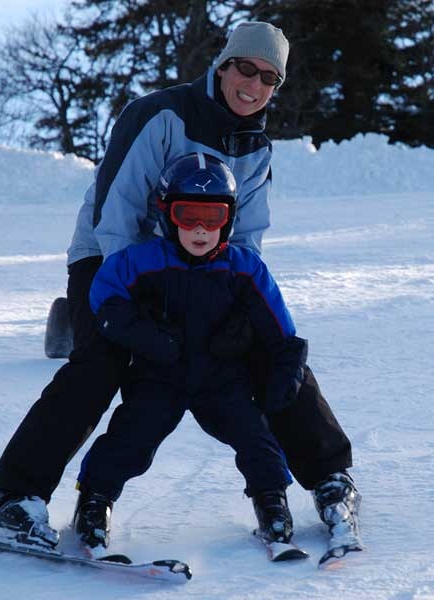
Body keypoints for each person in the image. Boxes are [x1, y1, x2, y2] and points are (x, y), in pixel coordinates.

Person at [0, 21, 361, 558]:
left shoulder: (257, 148)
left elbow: (246, 239)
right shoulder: (160, 115)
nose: (255, 84)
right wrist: (139, 305)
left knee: (269, 349)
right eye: (247, 68)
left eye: (270, 77)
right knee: (102, 361)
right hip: (111, 259)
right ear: (224, 65)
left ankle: (331, 479)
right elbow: (116, 211)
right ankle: (13, 497)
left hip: (199, 265)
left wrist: (237, 305)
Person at [72, 152, 303, 555]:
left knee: (257, 438)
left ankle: (272, 505)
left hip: (222, 380)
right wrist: (150, 340)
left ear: (228, 220)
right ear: (167, 215)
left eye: (212, 218)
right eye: (187, 215)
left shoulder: (244, 269)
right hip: (159, 378)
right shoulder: (141, 261)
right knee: (130, 439)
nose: (200, 229)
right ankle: (94, 504)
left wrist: (285, 376)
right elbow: (104, 299)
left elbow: (280, 330)